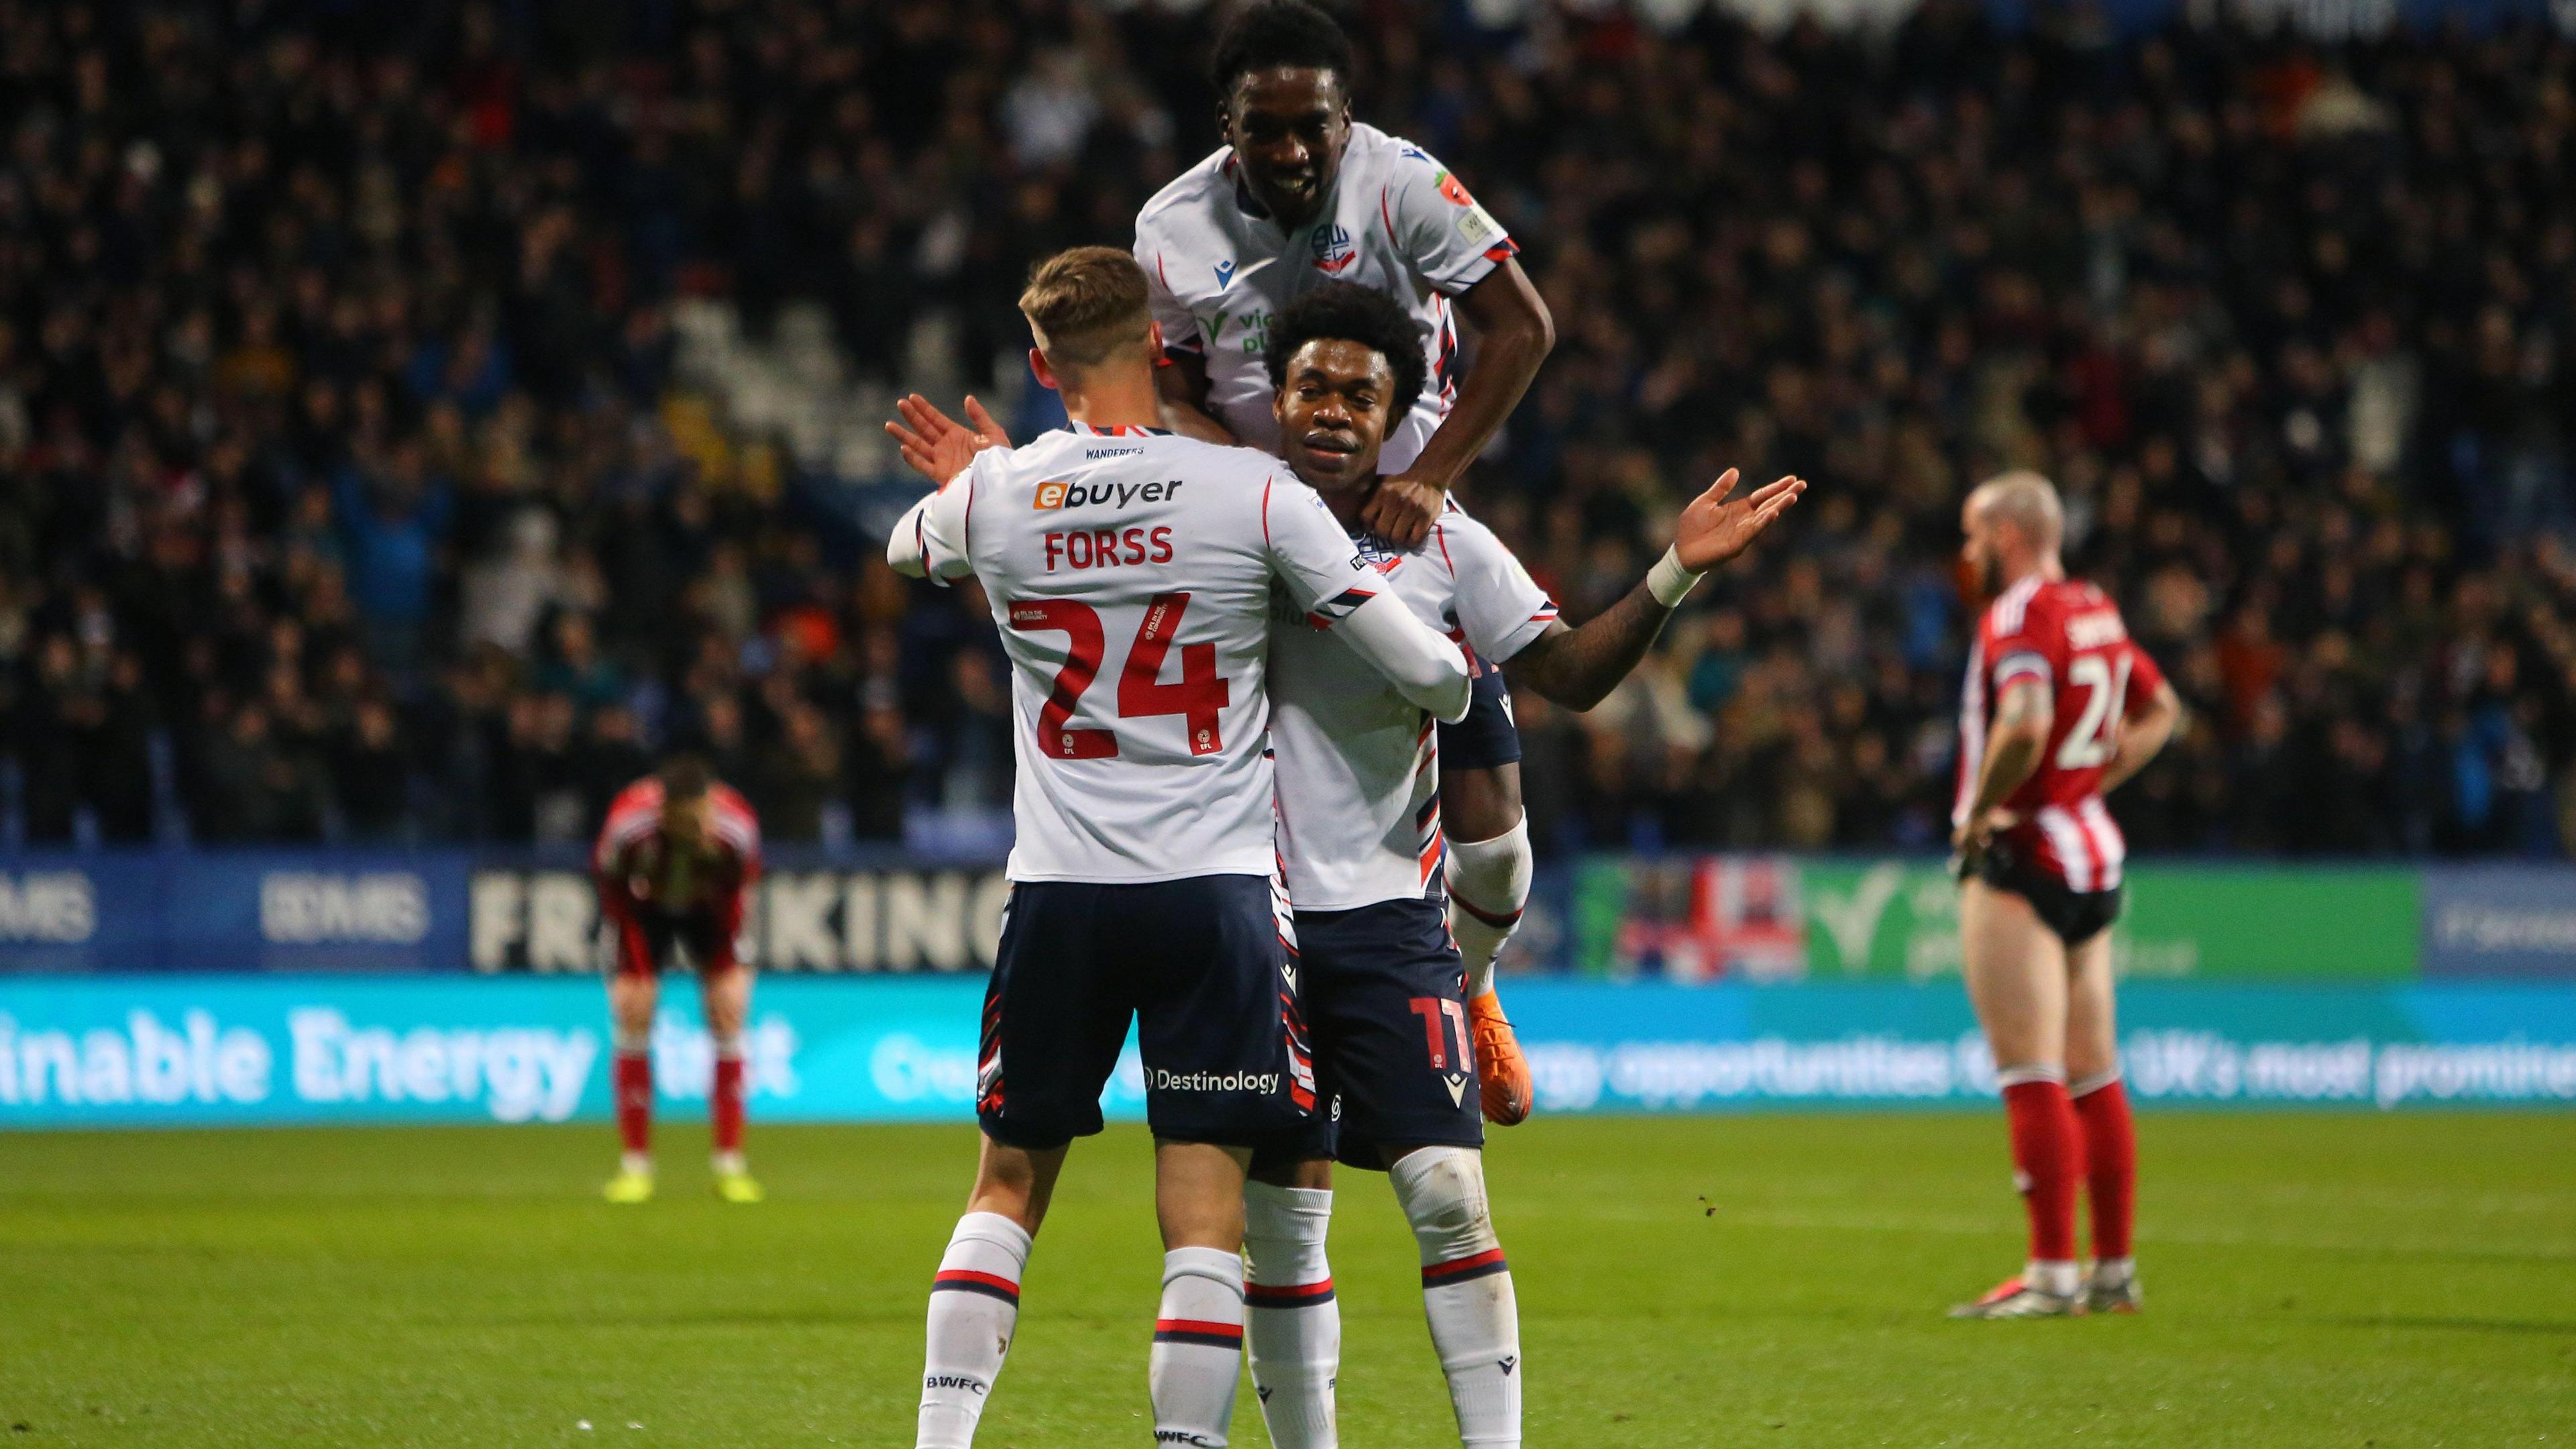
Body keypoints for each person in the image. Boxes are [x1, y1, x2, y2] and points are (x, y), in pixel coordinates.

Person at [883, 247, 1472, 1449]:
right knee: (1204, 1221)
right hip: (1212, 902)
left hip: (1059, 894)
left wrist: (992, 479)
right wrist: (1461, 681)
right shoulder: (1247, 493)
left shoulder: (999, 495)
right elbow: (1429, 671)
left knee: (1006, 1187)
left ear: (1043, 366)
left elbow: (911, 547)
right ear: (1160, 346)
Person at [929, 0, 1557, 1124]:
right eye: (1265, 128)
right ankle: (1296, 1028)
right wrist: (1240, 487)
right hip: (1247, 552)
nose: (1294, 149)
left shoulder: (1403, 182)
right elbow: (1162, 381)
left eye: (1313, 124)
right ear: (1227, 123)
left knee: (1497, 840)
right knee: (1276, 820)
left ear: (1345, 115)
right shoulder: (1168, 225)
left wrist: (1429, 476)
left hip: (1402, 532)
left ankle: (1478, 984)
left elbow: (1522, 327)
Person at [1242, 283, 1803, 1449]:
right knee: (1283, 1226)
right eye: (1313, 387)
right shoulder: (1224, 516)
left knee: (1447, 1198)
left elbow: (1572, 675)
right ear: (1275, 399)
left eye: (1362, 392)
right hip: (1252, 923)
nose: (1335, 411)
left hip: (1393, 918)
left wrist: (1674, 572)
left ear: (1399, 413)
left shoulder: (1441, 540)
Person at [1947, 472, 2183, 1318]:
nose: (1967, 554)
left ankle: (2050, 1274)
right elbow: (2162, 711)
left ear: (2008, 534)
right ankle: (2113, 1271)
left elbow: (2025, 722)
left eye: (1974, 536)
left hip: (2024, 857)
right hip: (2092, 852)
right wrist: (2091, 780)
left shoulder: (2017, 614)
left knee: (2033, 1069)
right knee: (2094, 1071)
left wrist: (1979, 812)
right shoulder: (2097, 608)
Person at [592, 755, 765, 1205]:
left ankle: (730, 1166)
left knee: (728, 1014)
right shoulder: (629, 826)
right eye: (683, 821)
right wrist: (636, 969)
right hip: (643, 913)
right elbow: (612, 892)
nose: (695, 828)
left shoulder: (736, 830)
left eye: (700, 818)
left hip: (710, 914)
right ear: (664, 812)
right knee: (633, 1012)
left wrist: (724, 970)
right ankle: (635, 1167)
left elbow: (736, 899)